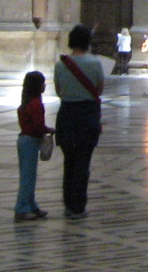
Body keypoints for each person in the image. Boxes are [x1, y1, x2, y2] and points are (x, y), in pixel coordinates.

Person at [54, 24, 105, 219]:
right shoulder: (95, 63)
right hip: (87, 114)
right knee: (83, 162)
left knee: (69, 162)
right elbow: (99, 90)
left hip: (67, 114)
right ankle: (78, 206)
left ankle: (68, 204)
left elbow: (59, 91)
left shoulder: (61, 64)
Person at [13, 71, 53, 220]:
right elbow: (38, 126)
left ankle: (31, 205)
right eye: (43, 83)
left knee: (29, 176)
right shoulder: (35, 104)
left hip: (25, 140)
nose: (45, 85)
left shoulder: (26, 102)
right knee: (28, 177)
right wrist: (49, 130)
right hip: (30, 141)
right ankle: (22, 209)